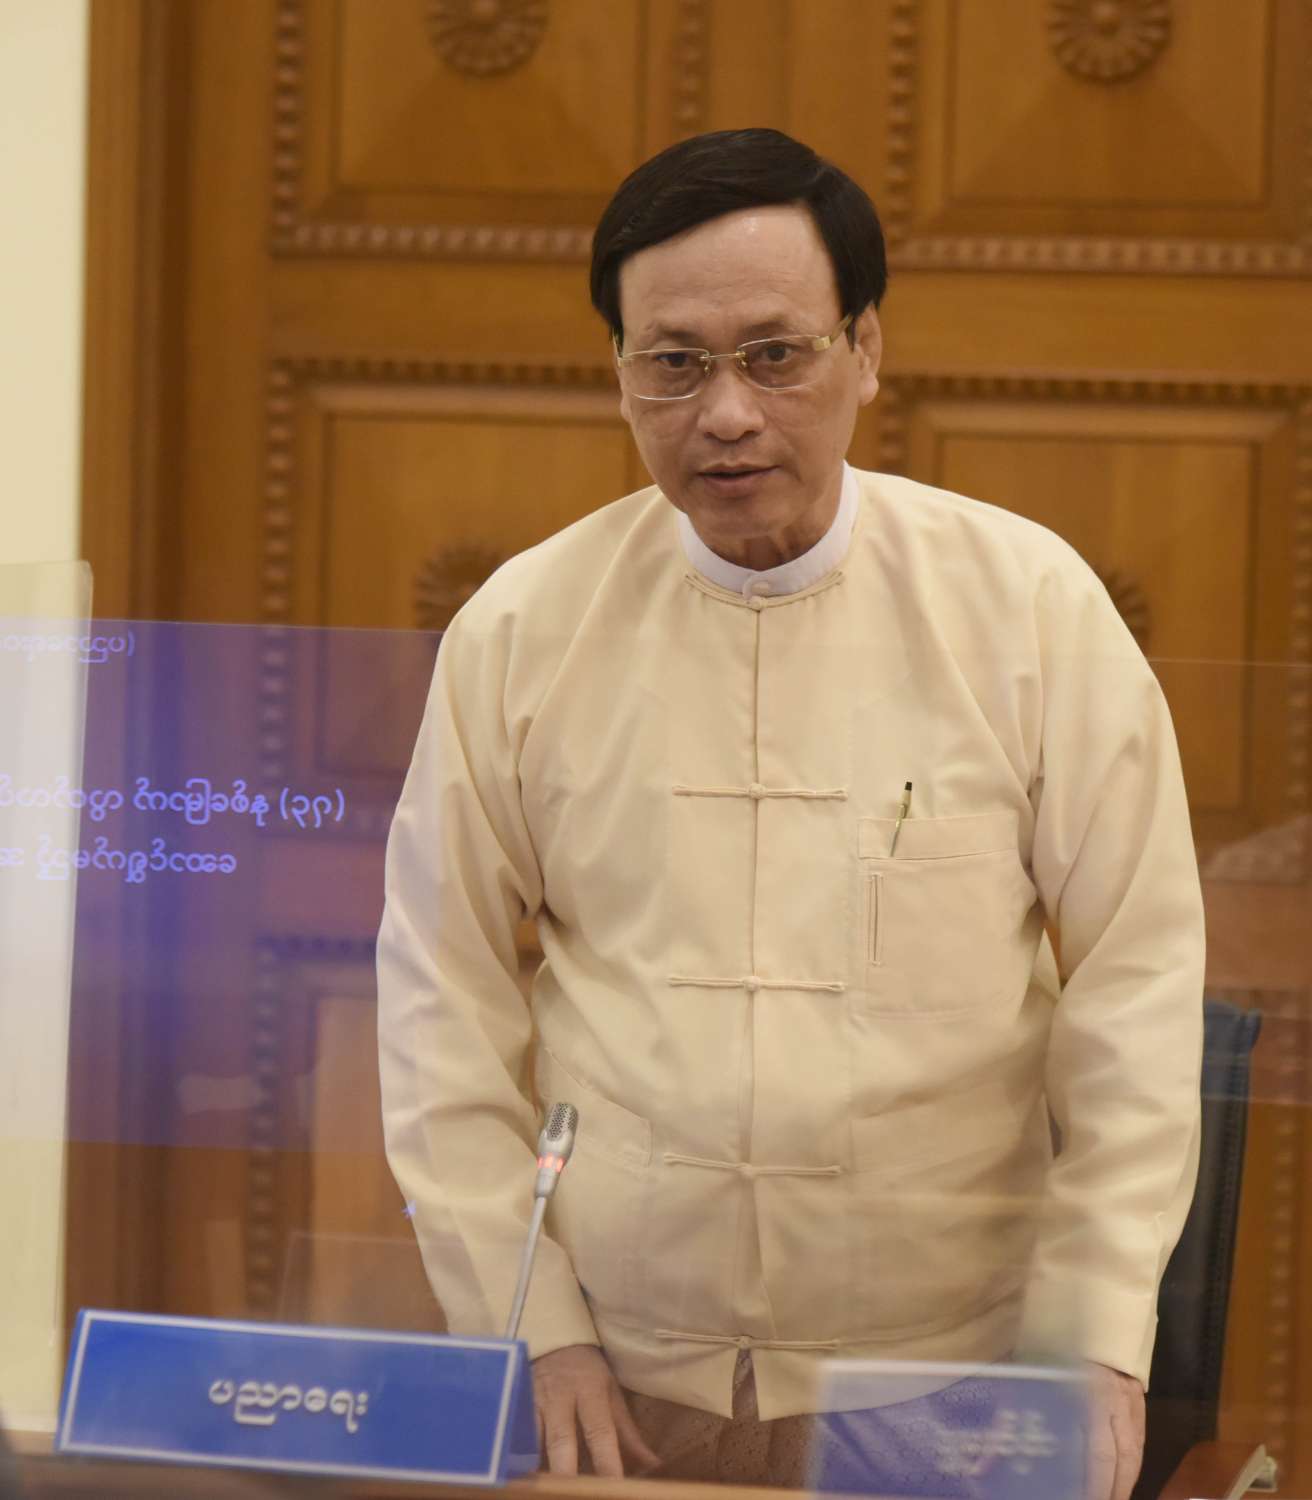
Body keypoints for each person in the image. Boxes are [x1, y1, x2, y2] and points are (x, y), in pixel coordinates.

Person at [377, 128, 1203, 1497]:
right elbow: (438, 1001)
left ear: (864, 349)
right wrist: (528, 1327)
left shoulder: (1027, 608)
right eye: (674, 362)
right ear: (620, 371)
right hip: (615, 1387)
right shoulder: (522, 629)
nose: (726, 413)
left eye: (776, 355)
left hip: (953, 1379)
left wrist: (1094, 1344)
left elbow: (1139, 989)